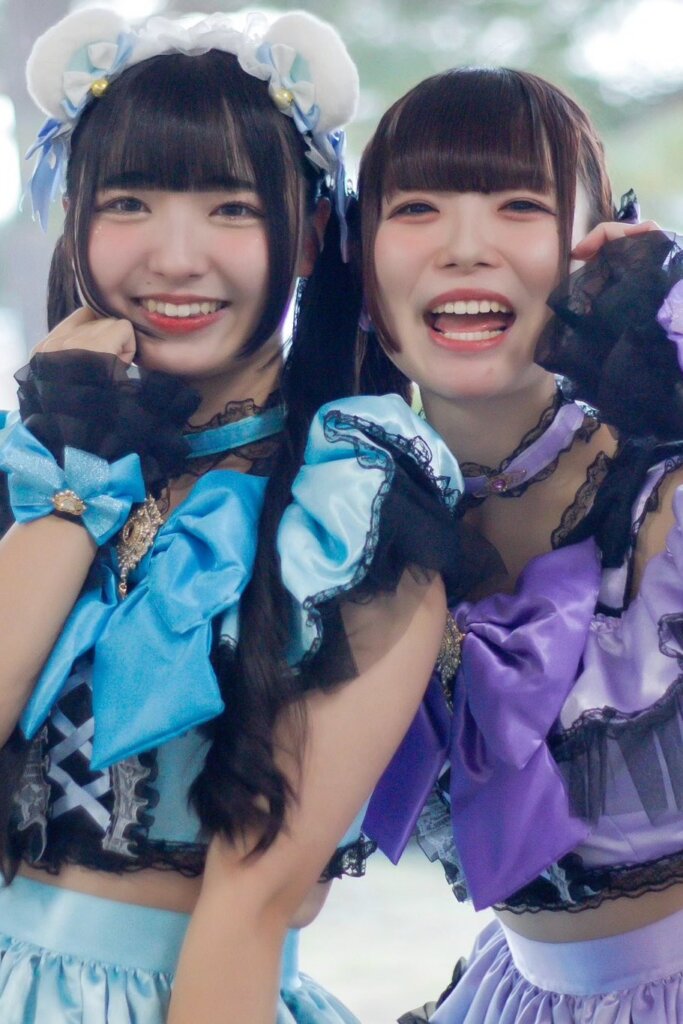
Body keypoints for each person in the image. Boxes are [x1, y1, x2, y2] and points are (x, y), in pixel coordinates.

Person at [0, 8, 474, 1024]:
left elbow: (251, 909)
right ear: (73, 219)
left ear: (308, 235)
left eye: (229, 208)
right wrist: (75, 476)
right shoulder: (35, 466)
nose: (176, 258)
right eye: (129, 201)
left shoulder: (349, 515)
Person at [348, 66, 683, 1022]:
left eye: (519, 206)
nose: (465, 247)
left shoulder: (664, 496)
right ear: (360, 268)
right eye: (416, 208)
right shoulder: (340, 525)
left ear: (593, 247)